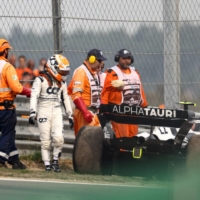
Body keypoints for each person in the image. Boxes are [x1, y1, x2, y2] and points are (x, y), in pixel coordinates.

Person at [29, 54, 73, 172]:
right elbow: (34, 96)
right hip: (43, 110)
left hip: (57, 110)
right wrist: (32, 112)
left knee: (59, 139)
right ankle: (47, 163)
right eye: (62, 72)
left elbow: (66, 98)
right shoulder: (40, 80)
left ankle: (55, 161)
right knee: (45, 141)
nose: (64, 75)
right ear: (53, 68)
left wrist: (70, 115)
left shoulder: (62, 83)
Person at [101, 49, 148, 138]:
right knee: (123, 138)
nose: (126, 61)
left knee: (133, 137)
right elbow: (105, 90)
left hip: (134, 111)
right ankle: (121, 152)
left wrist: (144, 105)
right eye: (124, 58)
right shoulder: (111, 72)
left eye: (128, 58)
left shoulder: (135, 72)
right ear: (118, 59)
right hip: (119, 112)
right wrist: (105, 108)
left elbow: (140, 90)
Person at [0, 38, 31, 169]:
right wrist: (29, 92)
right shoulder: (7, 67)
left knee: (10, 134)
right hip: (5, 108)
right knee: (7, 133)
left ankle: (14, 159)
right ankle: (1, 159)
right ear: (5, 51)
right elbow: (16, 88)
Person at [68, 49, 107, 136]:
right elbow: (76, 94)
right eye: (99, 61)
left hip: (91, 112)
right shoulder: (81, 72)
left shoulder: (92, 72)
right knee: (86, 142)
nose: (101, 64)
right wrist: (85, 112)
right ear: (92, 59)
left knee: (93, 141)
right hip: (84, 112)